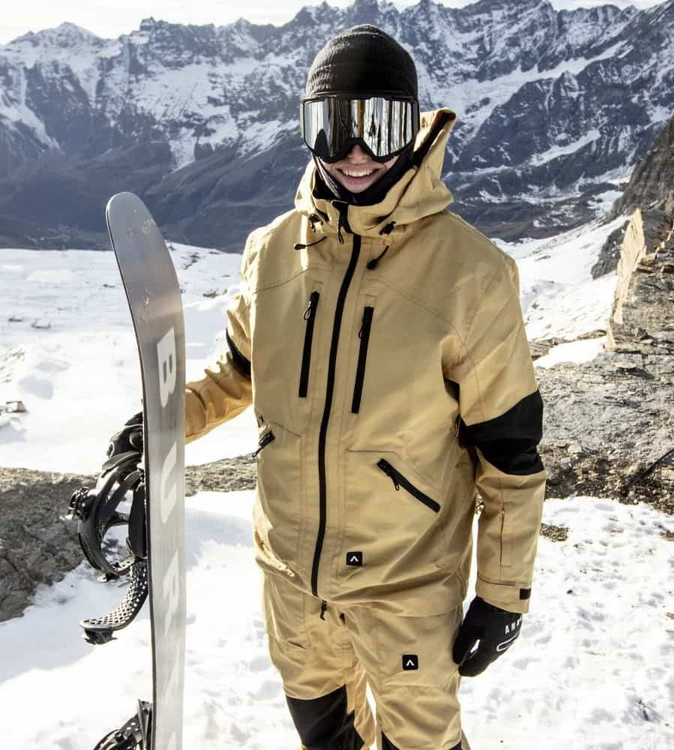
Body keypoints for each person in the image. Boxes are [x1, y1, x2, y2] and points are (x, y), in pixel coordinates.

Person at [110, 24, 546, 750]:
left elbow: (510, 456)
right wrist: (162, 424)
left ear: (413, 129)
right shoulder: (272, 250)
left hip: (407, 585)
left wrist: (505, 594)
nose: (355, 152)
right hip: (291, 578)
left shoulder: (473, 275)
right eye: (332, 126)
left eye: (379, 127)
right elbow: (238, 374)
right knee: (327, 737)